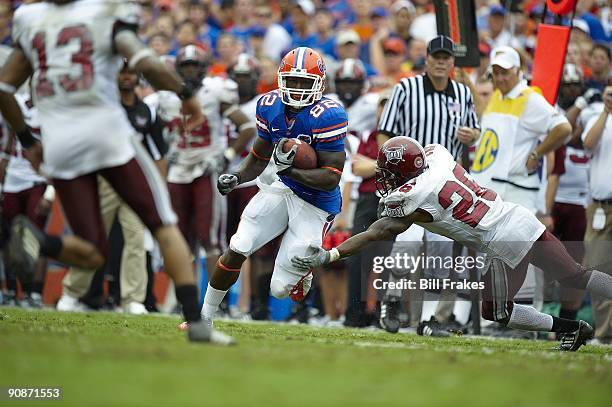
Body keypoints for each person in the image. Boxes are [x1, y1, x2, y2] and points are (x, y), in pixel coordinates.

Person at [0, 0, 232, 344]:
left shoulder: (28, 17)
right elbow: (145, 62)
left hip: (60, 140)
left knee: (92, 250)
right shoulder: (105, 10)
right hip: (106, 132)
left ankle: (39, 241)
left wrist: (26, 140)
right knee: (164, 225)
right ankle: (197, 324)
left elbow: (4, 88)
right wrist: (185, 93)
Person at [292, 137, 612, 351]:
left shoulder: (412, 197)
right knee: (576, 274)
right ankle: (575, 328)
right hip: (518, 217)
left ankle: (571, 328)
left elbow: (377, 231)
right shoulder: (438, 156)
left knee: (497, 311)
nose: (386, 180)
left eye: (390, 174)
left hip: (499, 242)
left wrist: (332, 252)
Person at [191, 47, 347, 328]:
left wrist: (291, 171)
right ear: (280, 79)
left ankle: (302, 272)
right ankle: (204, 317)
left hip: (316, 202)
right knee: (238, 245)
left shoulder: (329, 114)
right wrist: (237, 176)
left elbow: (331, 177)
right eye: (293, 81)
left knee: (279, 289)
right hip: (282, 187)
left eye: (304, 82)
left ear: (320, 83)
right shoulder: (269, 105)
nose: (298, 89)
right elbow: (259, 156)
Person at [377, 35, 480, 335]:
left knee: (441, 252)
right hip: (411, 180)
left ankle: (429, 319)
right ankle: (392, 302)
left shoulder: (463, 93)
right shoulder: (406, 89)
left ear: (452, 61)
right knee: (406, 244)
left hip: (445, 182)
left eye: (446, 57)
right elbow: (385, 132)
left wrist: (472, 136)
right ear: (427, 59)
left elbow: (475, 131)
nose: (441, 61)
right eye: (436, 56)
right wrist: (391, 170)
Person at [145, 45, 255, 277]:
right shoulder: (166, 98)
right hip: (177, 171)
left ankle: (216, 299)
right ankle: (185, 297)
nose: (190, 72)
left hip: (207, 169)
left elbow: (246, 127)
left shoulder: (213, 92)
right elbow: (154, 129)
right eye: (185, 67)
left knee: (209, 237)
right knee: (179, 236)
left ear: (203, 69)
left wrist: (226, 155)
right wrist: (167, 149)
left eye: (195, 67)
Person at [582, 85, 612, 344]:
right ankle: (604, 334)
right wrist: (605, 111)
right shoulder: (597, 118)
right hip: (601, 206)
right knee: (598, 269)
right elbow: (589, 143)